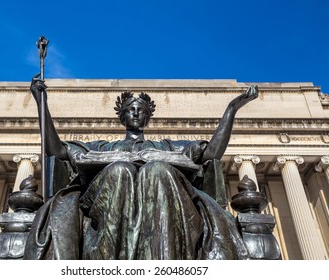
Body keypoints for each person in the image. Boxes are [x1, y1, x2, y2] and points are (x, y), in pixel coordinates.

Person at [24, 75, 259, 260]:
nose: (136, 113)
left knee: (156, 170)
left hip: (161, 202)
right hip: (111, 198)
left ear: (147, 118)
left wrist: (232, 110)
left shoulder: (166, 146)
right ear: (122, 116)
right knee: (120, 170)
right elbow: (57, 150)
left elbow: (210, 153)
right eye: (130, 110)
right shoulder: (103, 147)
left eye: (141, 111)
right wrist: (41, 103)